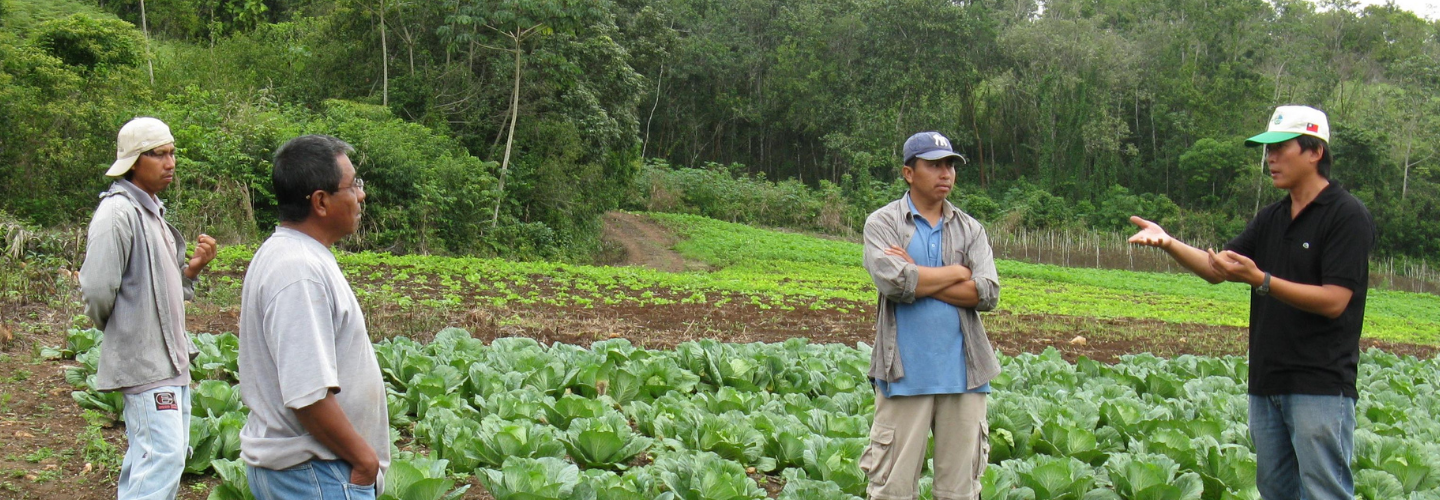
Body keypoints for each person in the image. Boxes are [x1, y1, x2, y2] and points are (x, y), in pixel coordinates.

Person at [1129, 105, 1374, 500]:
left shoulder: (1347, 215)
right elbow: (1218, 269)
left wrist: (1262, 280)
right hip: (1266, 383)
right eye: (1267, 149)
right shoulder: (1271, 218)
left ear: (1314, 152)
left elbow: (1334, 301)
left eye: (1280, 147)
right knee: (1275, 492)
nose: (1270, 158)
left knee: (1324, 492)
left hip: (1320, 385)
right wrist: (1168, 242)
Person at [238, 135, 389, 499]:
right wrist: (364, 461)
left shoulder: (293, 254)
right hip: (317, 474)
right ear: (320, 201)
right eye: (353, 185)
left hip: (313, 473)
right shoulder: (297, 271)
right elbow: (308, 395)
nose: (361, 195)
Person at [79, 116, 218, 500]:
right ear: (134, 161)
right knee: (162, 457)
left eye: (172, 153)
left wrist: (191, 271)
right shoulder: (117, 213)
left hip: (171, 359)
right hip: (144, 362)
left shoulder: (151, 211)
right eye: (158, 154)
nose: (170, 162)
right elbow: (95, 291)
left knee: (159, 459)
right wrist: (126, 328)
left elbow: (161, 287)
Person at [859, 131, 1001, 500]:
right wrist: (958, 273)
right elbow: (895, 282)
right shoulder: (883, 224)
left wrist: (921, 275)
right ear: (909, 172)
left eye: (950, 165)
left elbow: (987, 293)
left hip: (965, 378)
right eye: (935, 165)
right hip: (903, 376)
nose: (946, 173)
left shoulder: (971, 229)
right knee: (892, 490)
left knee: (960, 493)